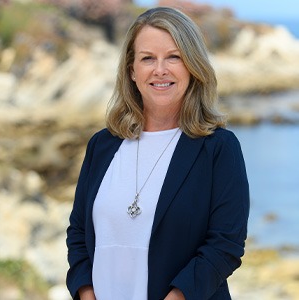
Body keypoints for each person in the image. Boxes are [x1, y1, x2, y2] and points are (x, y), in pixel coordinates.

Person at [66, 6, 250, 300]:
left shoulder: (218, 149)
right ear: (132, 70)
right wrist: (86, 293)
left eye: (174, 57)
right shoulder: (102, 146)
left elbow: (225, 245)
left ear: (192, 66)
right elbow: (78, 233)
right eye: (147, 58)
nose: (160, 70)